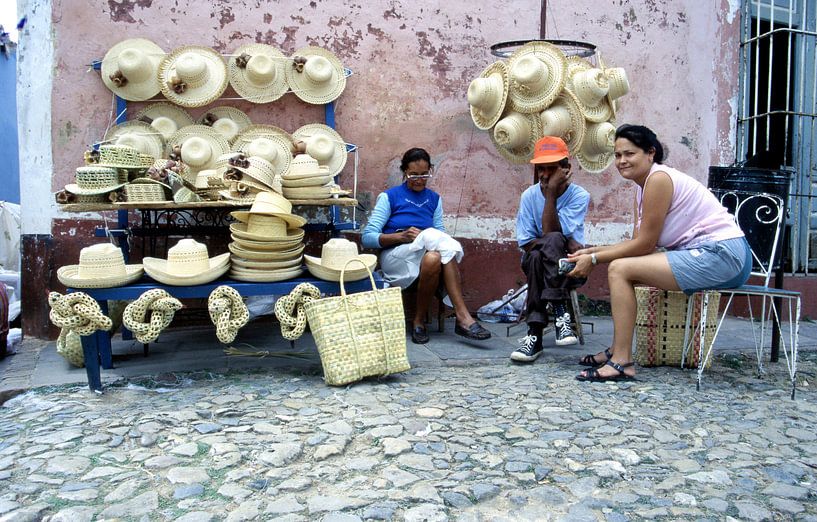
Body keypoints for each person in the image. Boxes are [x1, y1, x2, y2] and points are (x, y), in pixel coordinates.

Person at [568, 124, 752, 381]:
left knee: (620, 269)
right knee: (623, 269)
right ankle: (617, 350)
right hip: (710, 255)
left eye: (629, 154)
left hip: (723, 255)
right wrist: (590, 252)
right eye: (617, 155)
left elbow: (644, 246)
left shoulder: (658, 179)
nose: (621, 161)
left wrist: (595, 258)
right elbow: (639, 244)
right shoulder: (641, 187)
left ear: (650, 153)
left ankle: (621, 361)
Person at [362, 147, 492, 344]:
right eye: (413, 175)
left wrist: (426, 237)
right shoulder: (390, 197)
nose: (419, 179)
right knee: (437, 255)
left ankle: (422, 320)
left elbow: (441, 234)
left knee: (437, 255)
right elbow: (368, 237)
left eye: (424, 174)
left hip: (427, 255)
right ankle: (462, 318)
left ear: (430, 170)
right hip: (395, 255)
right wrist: (401, 237)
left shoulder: (434, 199)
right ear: (404, 172)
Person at [510, 136, 590, 363]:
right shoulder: (529, 196)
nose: (544, 175)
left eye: (551, 169)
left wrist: (552, 193)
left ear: (566, 169)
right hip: (546, 264)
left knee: (540, 254)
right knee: (548, 245)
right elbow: (526, 242)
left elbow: (546, 234)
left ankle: (534, 336)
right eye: (540, 169)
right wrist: (564, 239)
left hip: (570, 268)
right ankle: (559, 309)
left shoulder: (579, 196)